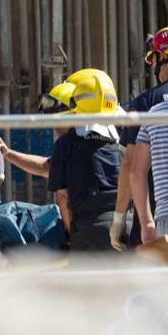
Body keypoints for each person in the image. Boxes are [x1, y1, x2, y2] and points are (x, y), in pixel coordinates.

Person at [110, 27, 168, 251]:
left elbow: (131, 167)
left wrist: (119, 218)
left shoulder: (147, 104)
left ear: (162, 57)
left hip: (156, 215)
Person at [48, 71, 123, 251]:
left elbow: (63, 197)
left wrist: (72, 233)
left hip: (88, 230)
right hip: (125, 224)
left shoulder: (65, 145)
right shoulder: (123, 140)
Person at [0, 81, 77, 179]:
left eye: (58, 121)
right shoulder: (70, 146)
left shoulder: (86, 147)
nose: (55, 127)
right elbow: (45, 167)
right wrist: (7, 153)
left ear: (75, 115)